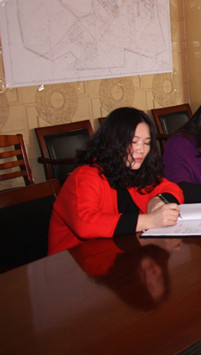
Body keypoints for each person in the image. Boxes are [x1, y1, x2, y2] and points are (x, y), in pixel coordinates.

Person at [49, 107, 184, 255]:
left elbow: (173, 188)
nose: (141, 150)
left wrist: (159, 199)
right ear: (113, 142)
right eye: (133, 141)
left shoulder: (134, 170)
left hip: (118, 255)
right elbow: (85, 224)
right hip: (73, 262)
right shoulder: (85, 176)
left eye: (146, 143)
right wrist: (149, 220)